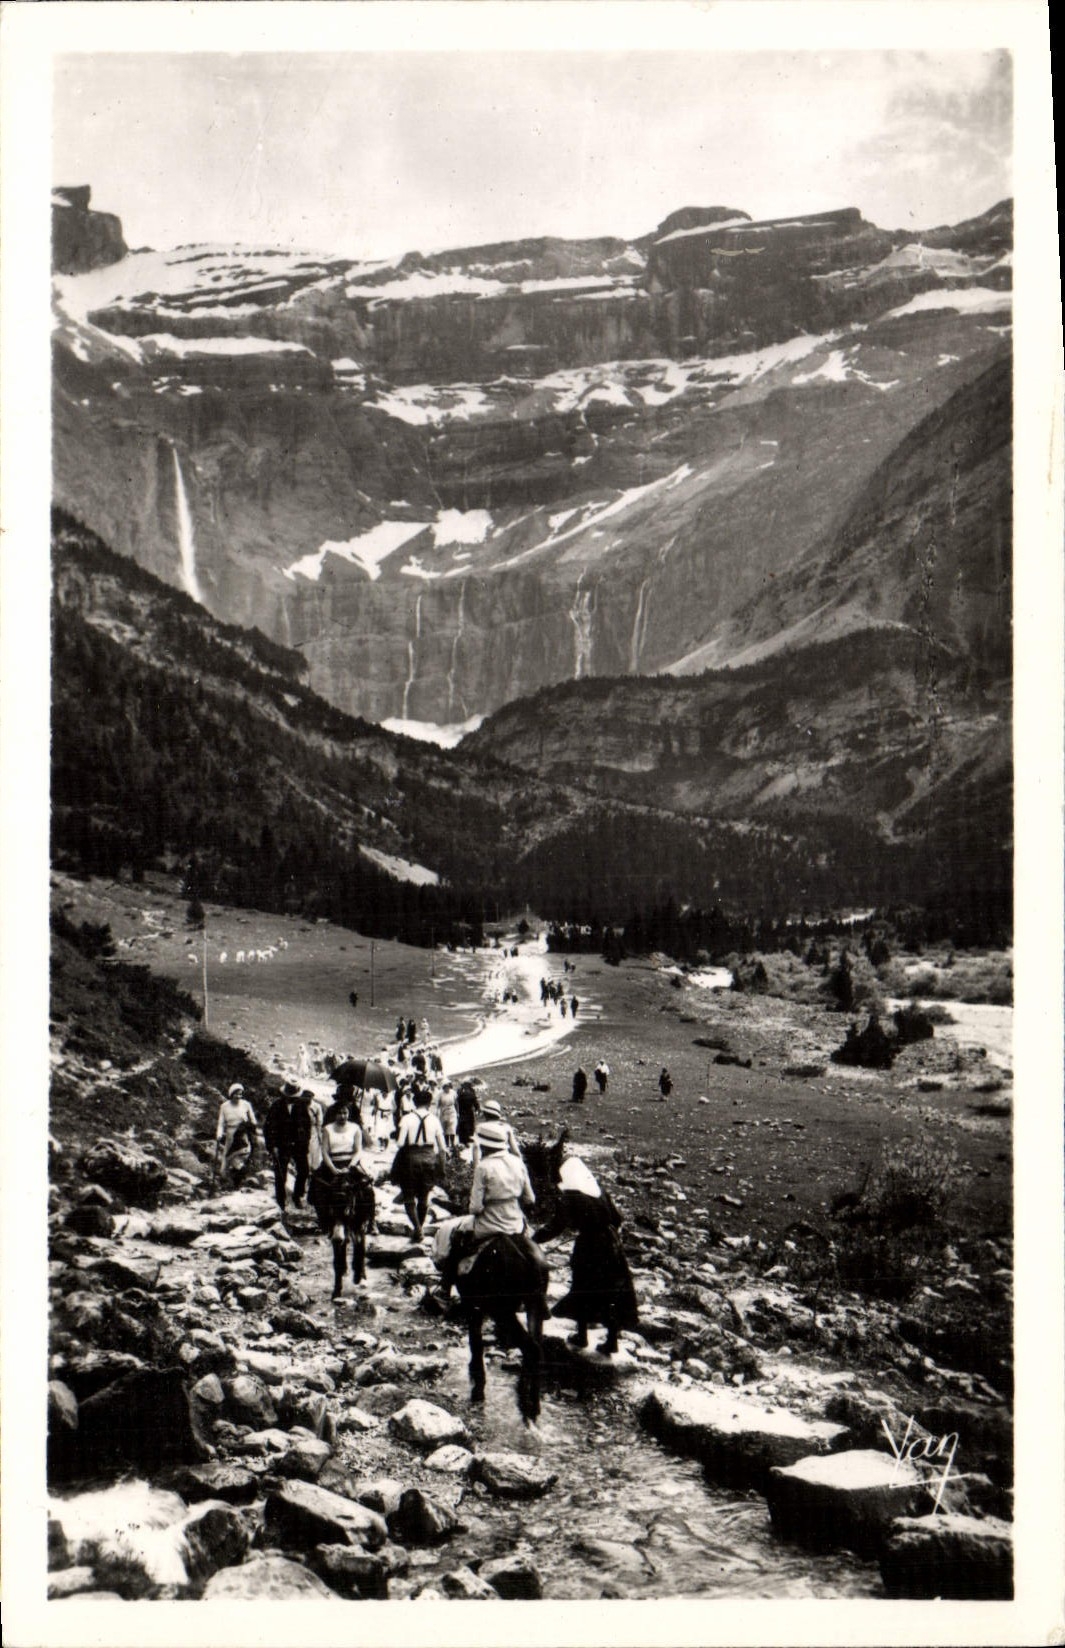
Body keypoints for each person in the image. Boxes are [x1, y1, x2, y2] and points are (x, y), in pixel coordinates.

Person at [533, 1149, 638, 1354]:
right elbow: (617, 1219)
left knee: (582, 1287)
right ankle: (612, 1341)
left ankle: (581, 1336)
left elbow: (557, 1225)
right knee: (610, 1292)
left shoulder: (571, 1195)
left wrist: (535, 1239)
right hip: (611, 1245)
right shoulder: (598, 1191)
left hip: (589, 1247)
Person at [434, 1120, 538, 1300]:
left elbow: (475, 1207)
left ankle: (445, 1287)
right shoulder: (517, 1162)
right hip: (516, 1222)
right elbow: (530, 1199)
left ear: (484, 1145)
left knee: (457, 1238)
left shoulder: (484, 1167)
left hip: (489, 1222)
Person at [391, 1086, 447, 1239]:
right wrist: (441, 1166)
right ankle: (420, 1227)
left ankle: (417, 1227)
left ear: (415, 1103)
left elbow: (400, 1143)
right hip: (429, 1158)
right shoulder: (434, 1120)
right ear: (429, 1103)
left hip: (410, 1159)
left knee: (409, 1196)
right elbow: (442, 1148)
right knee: (423, 1197)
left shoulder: (407, 1119)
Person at [214, 1083, 260, 1187]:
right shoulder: (224, 1106)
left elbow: (254, 1121)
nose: (238, 1096)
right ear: (231, 1094)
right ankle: (226, 1180)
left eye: (240, 1094)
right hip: (230, 1134)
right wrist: (219, 1134)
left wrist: (247, 1123)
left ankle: (238, 1180)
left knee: (241, 1156)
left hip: (242, 1135)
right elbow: (221, 1123)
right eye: (236, 1094)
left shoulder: (246, 1104)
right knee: (227, 1158)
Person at [456, 1080, 480, 1149]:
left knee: (465, 1126)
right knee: (467, 1126)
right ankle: (465, 1141)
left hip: (463, 1111)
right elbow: (475, 1101)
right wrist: (477, 1108)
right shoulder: (470, 1092)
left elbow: (474, 1100)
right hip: (467, 1111)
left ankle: (465, 1139)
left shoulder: (461, 1092)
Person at [438, 1083, 458, 1151]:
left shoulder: (453, 1093)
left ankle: (452, 1143)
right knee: (445, 1128)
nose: (447, 1088)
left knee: (452, 1127)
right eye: (445, 1087)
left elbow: (456, 1103)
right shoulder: (440, 1094)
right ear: (443, 1088)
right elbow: (438, 1104)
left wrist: (457, 1112)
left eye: (448, 1087)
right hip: (444, 1111)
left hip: (452, 1111)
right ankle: (446, 1143)